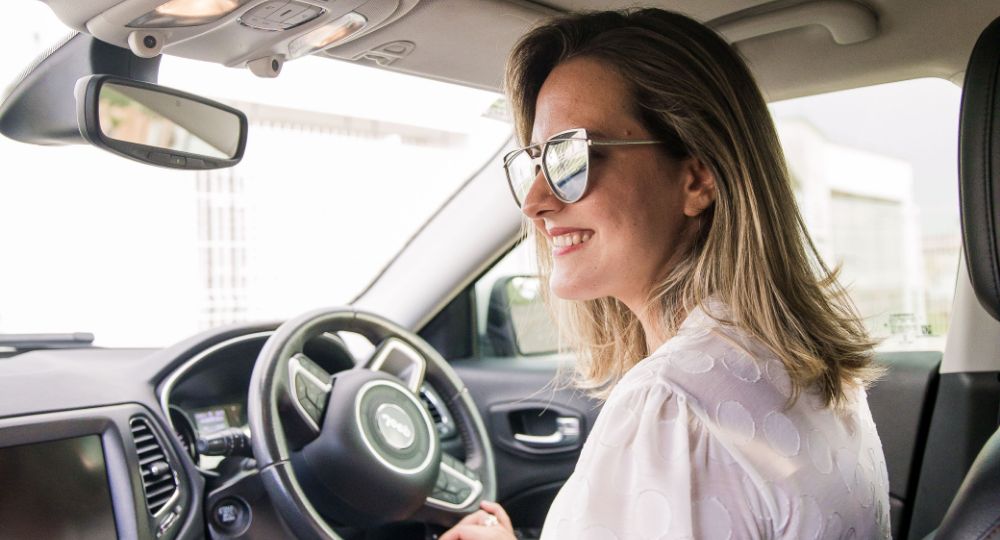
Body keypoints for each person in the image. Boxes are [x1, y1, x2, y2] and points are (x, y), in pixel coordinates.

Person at [442, 8, 890, 540]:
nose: (536, 201)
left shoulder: (674, 407)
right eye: (536, 161)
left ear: (697, 178)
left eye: (571, 157)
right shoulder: (808, 370)